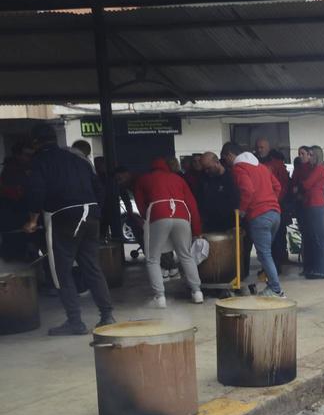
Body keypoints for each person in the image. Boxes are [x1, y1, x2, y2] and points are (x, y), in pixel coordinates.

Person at [22, 123, 115, 334]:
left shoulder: (40, 161)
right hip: (90, 214)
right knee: (92, 267)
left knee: (61, 271)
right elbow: (98, 187)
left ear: (35, 142)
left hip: (62, 216)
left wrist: (32, 220)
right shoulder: (78, 158)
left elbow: (36, 191)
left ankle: (75, 322)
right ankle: (107, 315)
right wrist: (95, 211)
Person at [133, 157, 204, 307]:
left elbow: (140, 204)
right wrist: (197, 230)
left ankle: (160, 297)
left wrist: (146, 218)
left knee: (153, 258)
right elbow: (192, 204)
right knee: (185, 255)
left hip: (158, 214)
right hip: (182, 214)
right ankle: (197, 292)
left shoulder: (144, 179)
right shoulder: (178, 179)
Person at [225, 142, 284, 297]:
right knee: (266, 253)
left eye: (226, 159)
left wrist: (242, 210)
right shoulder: (262, 167)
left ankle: (276, 289)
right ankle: (271, 284)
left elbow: (248, 190)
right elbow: (278, 186)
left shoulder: (239, 169)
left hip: (259, 216)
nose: (228, 164)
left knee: (264, 254)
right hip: (275, 214)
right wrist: (271, 201)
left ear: (231, 156)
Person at [254, 137, 293, 267]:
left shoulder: (276, 163)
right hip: (260, 205)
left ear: (268, 148)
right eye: (258, 147)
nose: (259, 150)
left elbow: (283, 184)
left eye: (262, 147)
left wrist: (276, 199)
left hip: (275, 205)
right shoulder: (255, 163)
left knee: (278, 237)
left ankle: (278, 263)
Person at [296, 144, 324, 279]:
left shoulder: (319, 168)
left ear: (316, 156)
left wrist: (300, 186)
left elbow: (306, 184)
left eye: (310, 155)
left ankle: (321, 269)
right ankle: (312, 267)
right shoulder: (312, 168)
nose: (308, 157)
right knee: (312, 238)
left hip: (317, 204)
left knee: (319, 238)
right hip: (311, 203)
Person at [195, 152, 241, 233]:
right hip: (209, 224)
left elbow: (237, 201)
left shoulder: (230, 177)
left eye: (209, 168)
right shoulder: (203, 179)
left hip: (229, 223)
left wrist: (237, 223)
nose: (206, 171)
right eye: (204, 169)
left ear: (217, 162)